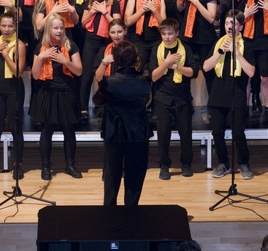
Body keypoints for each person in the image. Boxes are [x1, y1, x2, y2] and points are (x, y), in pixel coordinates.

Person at [96, 42, 152, 205]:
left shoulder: (110, 82)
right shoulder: (144, 81)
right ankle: (131, 212)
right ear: (135, 58)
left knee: (112, 174)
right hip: (138, 133)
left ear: (116, 60)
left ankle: (110, 212)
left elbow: (97, 100)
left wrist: (104, 64)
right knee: (135, 176)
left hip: (114, 133)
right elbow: (146, 100)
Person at [31, 14, 84, 179]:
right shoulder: (40, 47)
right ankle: (46, 166)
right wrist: (41, 58)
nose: (59, 31)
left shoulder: (71, 46)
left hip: (67, 92)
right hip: (47, 93)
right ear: (49, 29)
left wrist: (65, 61)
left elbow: (79, 71)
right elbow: (34, 75)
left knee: (69, 130)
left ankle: (70, 165)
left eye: (61, 28)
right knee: (47, 130)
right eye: (55, 28)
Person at [204, 10, 256, 180]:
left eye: (233, 23)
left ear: (240, 26)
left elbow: (251, 72)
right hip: (217, 95)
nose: (229, 27)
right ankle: (224, 163)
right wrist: (220, 52)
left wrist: (237, 53)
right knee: (217, 132)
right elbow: (206, 67)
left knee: (238, 133)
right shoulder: (218, 43)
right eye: (227, 23)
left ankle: (244, 163)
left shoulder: (247, 45)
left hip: (237, 95)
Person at [150, 18, 198, 180]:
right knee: (163, 133)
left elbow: (193, 72)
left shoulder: (186, 49)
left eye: (170, 33)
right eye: (164, 34)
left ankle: (186, 163)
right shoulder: (156, 49)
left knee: (185, 132)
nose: (167, 37)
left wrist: (176, 66)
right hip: (162, 98)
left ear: (177, 33)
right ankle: (164, 165)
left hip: (182, 98)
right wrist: (166, 64)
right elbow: (153, 77)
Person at [0, 11, 27, 181]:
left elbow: (18, 72)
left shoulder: (19, 45)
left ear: (15, 26)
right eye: (4, 25)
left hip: (14, 89)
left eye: (10, 26)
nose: (7, 29)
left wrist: (4, 56)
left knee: (15, 127)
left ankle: (18, 164)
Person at [79, 0, 119, 122]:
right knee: (87, 76)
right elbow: (83, 23)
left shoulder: (114, 2)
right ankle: (83, 108)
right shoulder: (90, 1)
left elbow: (116, 25)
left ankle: (101, 105)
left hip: (106, 42)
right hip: (91, 41)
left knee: (104, 76)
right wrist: (93, 11)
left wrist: (104, 12)